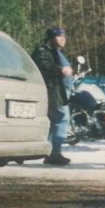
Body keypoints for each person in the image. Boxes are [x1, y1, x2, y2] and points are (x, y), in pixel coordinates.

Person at [32, 26, 73, 165]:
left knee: (54, 122)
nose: (63, 39)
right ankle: (54, 153)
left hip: (60, 91)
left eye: (64, 36)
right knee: (62, 120)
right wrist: (61, 70)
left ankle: (49, 152)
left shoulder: (56, 52)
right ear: (50, 38)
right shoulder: (42, 51)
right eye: (59, 36)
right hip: (53, 91)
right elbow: (44, 66)